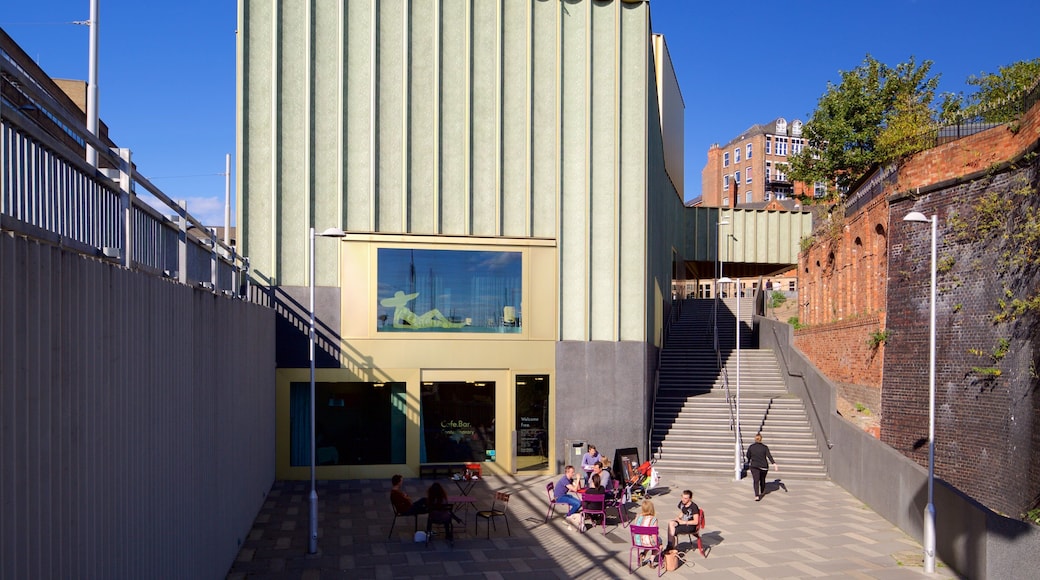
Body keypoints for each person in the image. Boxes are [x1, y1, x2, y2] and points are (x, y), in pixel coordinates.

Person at [746, 433, 778, 501]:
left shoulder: (751, 447)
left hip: (754, 466)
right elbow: (769, 456)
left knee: (756, 480)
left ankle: (757, 495)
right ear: (761, 439)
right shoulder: (765, 447)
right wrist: (774, 464)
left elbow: (748, 455)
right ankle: (762, 490)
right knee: (762, 479)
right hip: (764, 466)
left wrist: (749, 461)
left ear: (755, 439)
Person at [632, 499, 661, 566]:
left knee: (647, 540)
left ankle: (643, 554)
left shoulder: (638, 517)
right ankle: (651, 559)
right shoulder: (653, 519)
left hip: (638, 541)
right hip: (649, 541)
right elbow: (654, 534)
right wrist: (656, 543)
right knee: (659, 544)